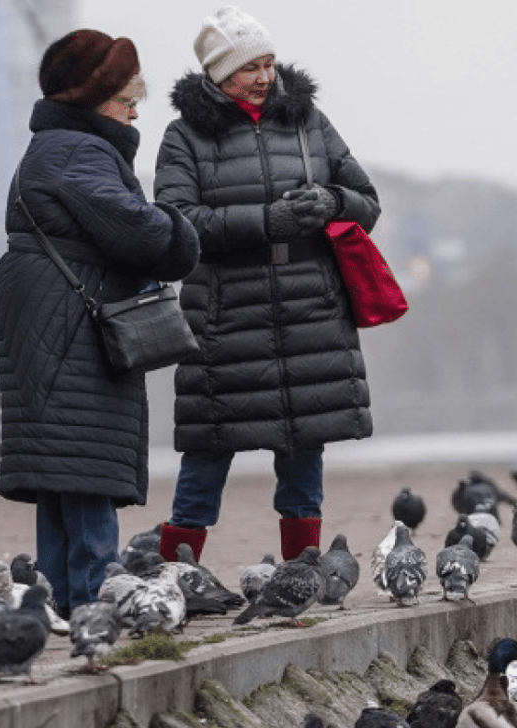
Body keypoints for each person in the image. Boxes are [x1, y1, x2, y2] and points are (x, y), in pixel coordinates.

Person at [154, 6, 380, 563]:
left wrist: (332, 202)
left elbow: (367, 201)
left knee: (305, 445)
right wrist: (264, 221)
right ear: (216, 74)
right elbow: (175, 223)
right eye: (249, 67)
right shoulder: (182, 136)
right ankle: (178, 575)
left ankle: (302, 570)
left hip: (309, 306)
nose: (263, 76)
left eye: (268, 63)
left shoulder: (310, 121)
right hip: (225, 311)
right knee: (209, 447)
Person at [0, 30, 200, 615]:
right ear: (94, 99)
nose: (135, 110)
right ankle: (94, 606)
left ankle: (54, 605)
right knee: (83, 465)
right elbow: (140, 230)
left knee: (62, 466)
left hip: (51, 313)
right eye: (127, 98)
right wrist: (179, 224)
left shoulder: (57, 147)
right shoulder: (79, 151)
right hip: (69, 322)